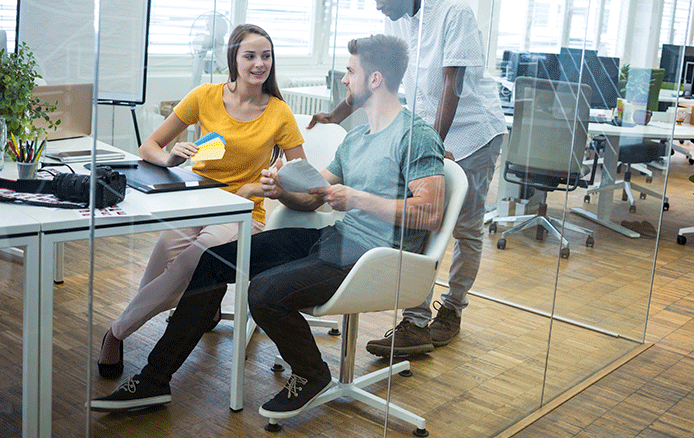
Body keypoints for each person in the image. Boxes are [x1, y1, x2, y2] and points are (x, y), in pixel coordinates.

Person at [89, 34, 445, 416]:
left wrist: (356, 198)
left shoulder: (414, 135)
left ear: (374, 80)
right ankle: (153, 382)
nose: (344, 79)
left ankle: (311, 373)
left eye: (350, 71)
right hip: (339, 239)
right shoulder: (357, 138)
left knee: (263, 291)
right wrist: (281, 188)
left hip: (378, 257)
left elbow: (429, 211)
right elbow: (314, 196)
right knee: (215, 260)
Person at [309, 0, 506, 355]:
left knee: (464, 228)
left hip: (472, 133)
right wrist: (337, 113)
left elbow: (453, 87)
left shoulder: (454, 12)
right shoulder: (398, 17)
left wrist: (431, 146)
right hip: (427, 134)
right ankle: (416, 323)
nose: (377, 4)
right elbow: (382, 77)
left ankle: (451, 310)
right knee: (420, 224)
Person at [97, 24, 306, 379]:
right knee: (166, 249)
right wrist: (169, 159)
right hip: (198, 202)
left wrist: (262, 188)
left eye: (266, 56)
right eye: (250, 56)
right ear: (233, 59)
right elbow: (148, 146)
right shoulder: (205, 96)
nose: (260, 64)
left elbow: (302, 179)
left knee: (198, 255)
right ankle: (201, 304)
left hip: (242, 213)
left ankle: (117, 332)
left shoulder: (278, 113)